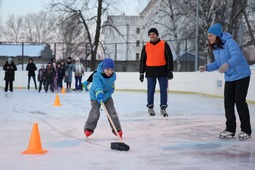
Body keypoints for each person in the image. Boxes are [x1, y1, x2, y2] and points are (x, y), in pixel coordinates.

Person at [199, 23, 252, 140]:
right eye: (208, 36)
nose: (209, 38)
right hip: (230, 77)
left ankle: (246, 130)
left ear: (217, 35)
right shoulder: (216, 48)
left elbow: (237, 57)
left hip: (242, 75)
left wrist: (227, 65)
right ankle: (230, 129)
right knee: (228, 102)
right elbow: (218, 63)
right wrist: (207, 67)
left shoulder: (230, 42)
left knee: (239, 101)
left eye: (211, 35)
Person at [84, 58, 123, 138]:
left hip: (107, 96)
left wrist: (106, 95)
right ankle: (89, 129)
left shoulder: (113, 76)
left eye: (112, 69)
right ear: (103, 68)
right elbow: (97, 86)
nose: (110, 72)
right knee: (95, 113)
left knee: (112, 112)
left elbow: (111, 87)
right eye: (108, 69)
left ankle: (117, 129)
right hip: (95, 95)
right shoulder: (97, 75)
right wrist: (99, 94)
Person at [139, 28, 174, 117]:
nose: (152, 35)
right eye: (150, 34)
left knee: (163, 90)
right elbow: (142, 60)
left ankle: (163, 108)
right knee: (150, 90)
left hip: (162, 71)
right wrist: (141, 73)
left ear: (157, 35)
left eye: (153, 34)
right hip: (150, 71)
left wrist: (170, 70)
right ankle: (150, 107)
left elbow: (169, 58)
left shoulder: (164, 44)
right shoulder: (146, 46)